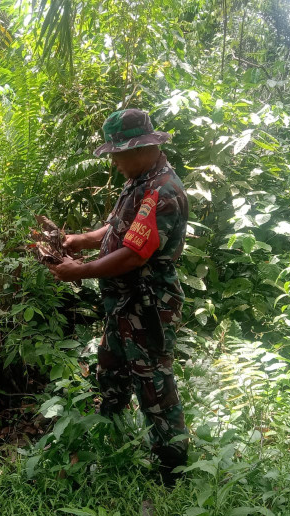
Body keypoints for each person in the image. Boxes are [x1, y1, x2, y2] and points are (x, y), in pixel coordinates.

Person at [49, 108, 189, 484]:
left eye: (118, 154)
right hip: (123, 304)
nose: (114, 163)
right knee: (110, 369)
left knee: (153, 383)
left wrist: (82, 270)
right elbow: (116, 228)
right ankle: (112, 437)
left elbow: (134, 253)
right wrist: (80, 240)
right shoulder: (139, 180)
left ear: (142, 147)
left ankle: (172, 469)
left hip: (147, 303)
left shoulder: (163, 191)